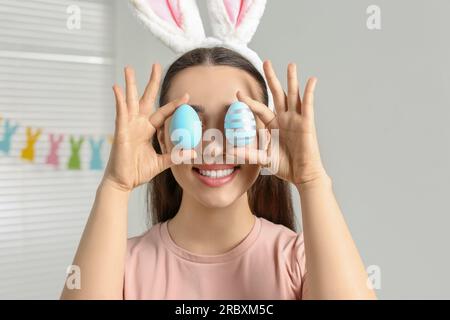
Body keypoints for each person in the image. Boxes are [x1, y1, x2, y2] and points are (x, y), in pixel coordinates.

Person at [60, 46, 376, 300]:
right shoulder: (121, 267)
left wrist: (312, 180)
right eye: (190, 123)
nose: (213, 148)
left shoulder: (304, 261)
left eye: (236, 122)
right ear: (162, 137)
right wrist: (115, 187)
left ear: (266, 134)